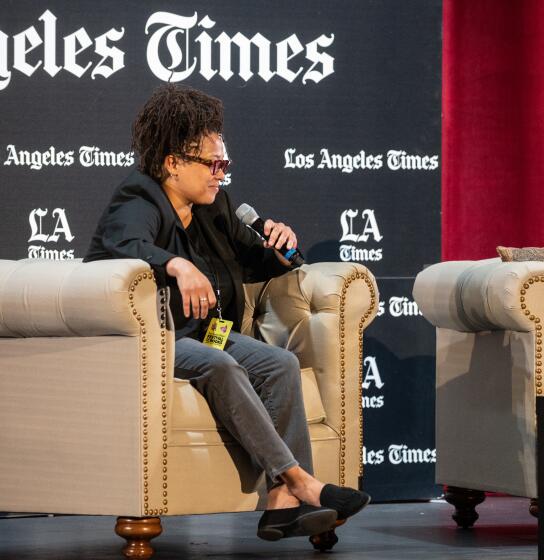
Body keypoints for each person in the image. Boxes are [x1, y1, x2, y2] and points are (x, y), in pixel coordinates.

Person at [85, 84, 369, 540]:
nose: (221, 175)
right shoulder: (137, 199)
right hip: (148, 341)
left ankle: (281, 505)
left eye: (225, 165)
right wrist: (174, 262)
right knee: (220, 363)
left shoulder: (213, 206)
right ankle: (299, 481)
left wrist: (278, 248)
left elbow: (251, 261)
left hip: (199, 334)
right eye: (212, 165)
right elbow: (123, 248)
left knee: (281, 363)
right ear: (172, 163)